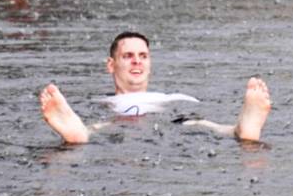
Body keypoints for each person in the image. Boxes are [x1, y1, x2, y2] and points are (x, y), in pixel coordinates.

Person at [39, 31, 272, 144]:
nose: (137, 61)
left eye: (143, 56)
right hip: (121, 120)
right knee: (103, 126)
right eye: (128, 56)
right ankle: (79, 133)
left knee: (199, 123)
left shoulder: (172, 97)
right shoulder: (102, 102)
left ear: (150, 63)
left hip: (170, 116)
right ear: (111, 65)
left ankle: (242, 129)